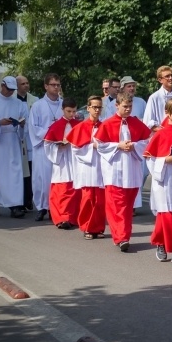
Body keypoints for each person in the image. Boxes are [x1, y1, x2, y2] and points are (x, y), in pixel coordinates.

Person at [94, 92, 152, 251]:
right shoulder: (107, 124)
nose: (128, 109)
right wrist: (117, 146)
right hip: (114, 171)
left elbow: (147, 141)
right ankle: (121, 238)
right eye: (125, 106)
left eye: (130, 106)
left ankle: (123, 235)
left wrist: (134, 145)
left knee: (127, 207)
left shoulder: (136, 123)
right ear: (117, 105)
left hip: (132, 171)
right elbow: (99, 144)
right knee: (115, 206)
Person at [0, 76, 29, 218]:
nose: (10, 92)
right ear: (2, 86)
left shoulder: (19, 103)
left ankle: (15, 205)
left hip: (12, 141)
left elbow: (25, 122)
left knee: (14, 173)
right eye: (8, 89)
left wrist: (21, 124)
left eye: (12, 90)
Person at [145, 97, 172, 261]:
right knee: (166, 214)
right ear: (167, 112)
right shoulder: (160, 133)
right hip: (164, 178)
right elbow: (149, 157)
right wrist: (164, 160)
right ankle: (161, 243)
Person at [67, 96, 106, 240]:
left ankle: (98, 227)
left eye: (99, 107)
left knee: (100, 200)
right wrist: (92, 146)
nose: (97, 110)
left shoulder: (105, 126)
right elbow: (76, 149)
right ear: (88, 108)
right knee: (88, 198)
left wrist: (102, 147)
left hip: (102, 166)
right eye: (94, 107)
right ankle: (87, 227)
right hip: (87, 167)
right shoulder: (81, 127)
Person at [29, 73, 64, 221]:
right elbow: (33, 127)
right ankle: (42, 207)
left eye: (58, 85)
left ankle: (55, 208)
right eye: (53, 85)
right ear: (46, 86)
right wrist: (51, 132)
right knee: (41, 179)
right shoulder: (37, 105)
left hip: (60, 147)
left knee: (58, 178)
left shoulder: (64, 105)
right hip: (43, 147)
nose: (56, 87)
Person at [44, 97, 82, 229]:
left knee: (76, 189)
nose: (71, 114)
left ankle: (73, 217)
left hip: (75, 159)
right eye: (68, 111)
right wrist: (58, 146)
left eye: (74, 111)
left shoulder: (79, 125)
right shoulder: (55, 126)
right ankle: (62, 218)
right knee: (62, 189)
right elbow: (47, 145)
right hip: (61, 160)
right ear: (62, 110)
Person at [16, 75, 39, 209]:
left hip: (31, 140)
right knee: (20, 171)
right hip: (18, 140)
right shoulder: (12, 100)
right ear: (17, 86)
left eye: (27, 83)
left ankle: (29, 199)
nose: (26, 85)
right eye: (23, 84)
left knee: (30, 171)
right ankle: (20, 199)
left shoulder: (34, 100)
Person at [143, 66, 172, 131]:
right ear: (160, 80)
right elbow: (148, 121)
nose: (171, 78)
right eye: (167, 76)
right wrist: (163, 131)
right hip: (161, 134)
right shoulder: (154, 97)